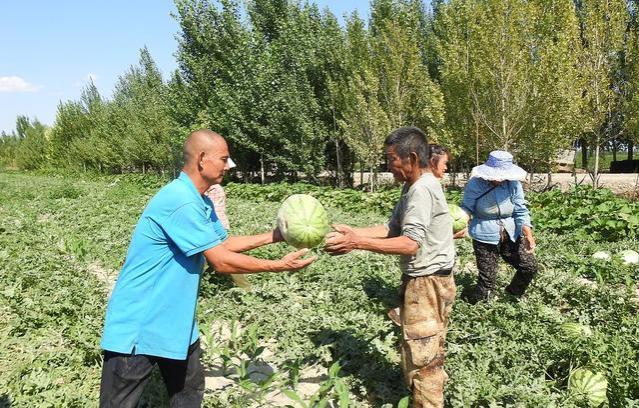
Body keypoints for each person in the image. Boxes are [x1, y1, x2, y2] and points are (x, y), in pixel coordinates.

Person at [99, 129, 316, 408]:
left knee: (189, 396)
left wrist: (275, 236)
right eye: (224, 159)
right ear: (202, 159)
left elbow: (223, 243)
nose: (228, 166)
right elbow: (221, 260)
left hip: (176, 323)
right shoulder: (180, 200)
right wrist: (278, 265)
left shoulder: (202, 200)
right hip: (140, 324)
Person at [324, 126, 456, 408]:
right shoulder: (413, 186)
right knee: (418, 350)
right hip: (422, 281)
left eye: (390, 159)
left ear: (410, 157)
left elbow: (410, 244)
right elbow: (392, 228)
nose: (388, 166)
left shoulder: (422, 189)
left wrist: (356, 242)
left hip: (428, 283)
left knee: (425, 360)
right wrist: (354, 232)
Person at [459, 150, 538, 303]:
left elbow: (521, 210)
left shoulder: (513, 185)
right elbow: (467, 208)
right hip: (484, 235)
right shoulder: (475, 184)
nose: (500, 178)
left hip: (511, 234)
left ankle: (512, 295)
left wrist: (528, 234)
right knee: (487, 285)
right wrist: (461, 222)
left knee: (529, 267)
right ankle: (470, 300)